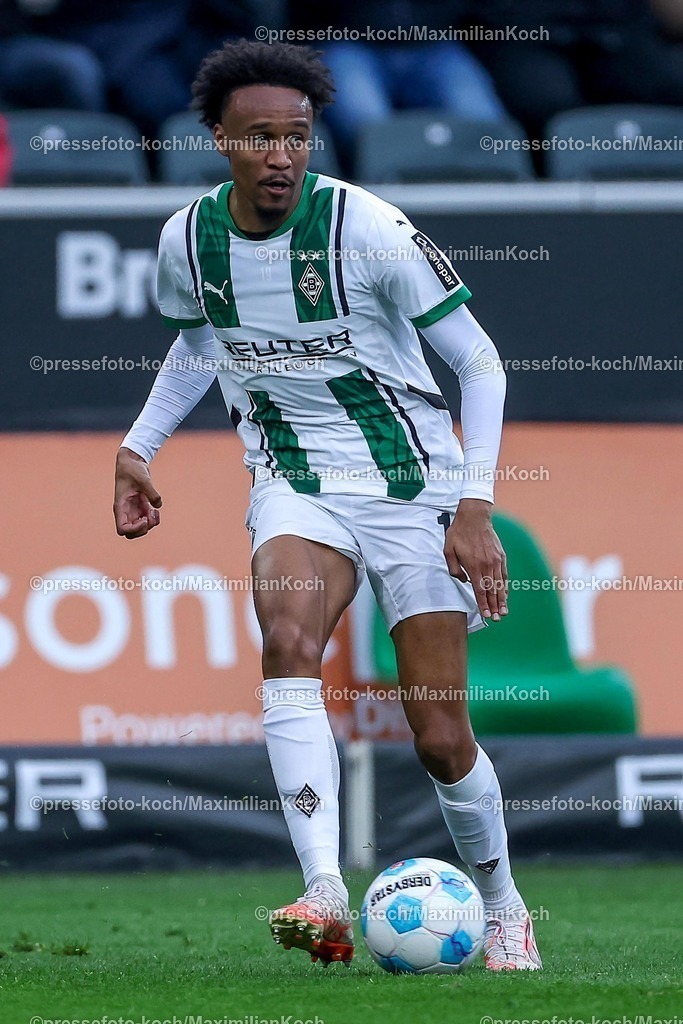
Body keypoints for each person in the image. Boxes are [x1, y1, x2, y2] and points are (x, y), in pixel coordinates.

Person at [113, 39, 541, 972]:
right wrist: (138, 448)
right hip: (294, 482)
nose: (279, 155)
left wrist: (474, 506)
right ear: (218, 140)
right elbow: (200, 346)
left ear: (314, 139)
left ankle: (504, 904)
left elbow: (479, 362)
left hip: (412, 487)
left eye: (297, 137)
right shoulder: (187, 241)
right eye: (258, 137)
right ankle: (321, 888)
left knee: (437, 735)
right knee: (286, 639)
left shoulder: (371, 229)